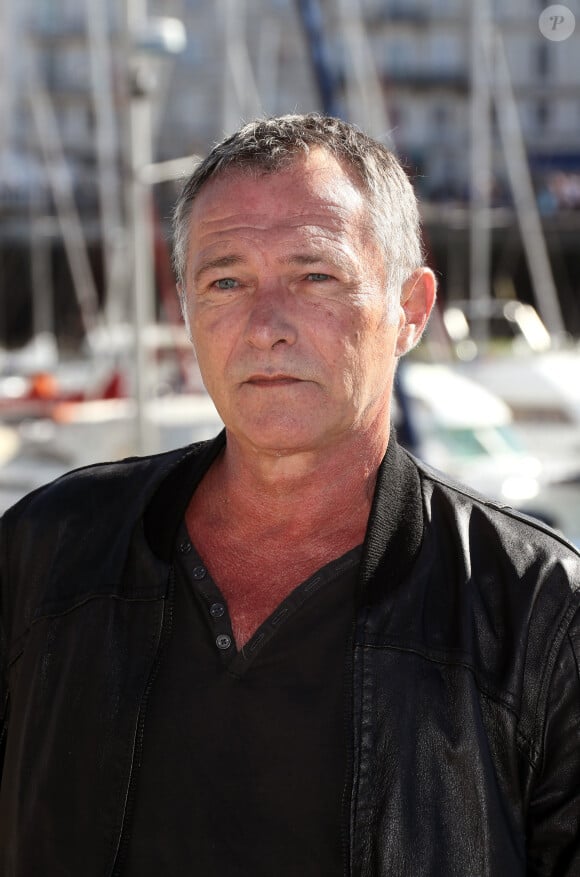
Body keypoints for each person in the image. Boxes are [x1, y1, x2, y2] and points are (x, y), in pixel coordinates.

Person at [0, 114, 579, 876]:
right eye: (227, 280)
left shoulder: (535, 611)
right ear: (186, 311)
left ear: (410, 308)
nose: (266, 325)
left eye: (316, 275)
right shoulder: (49, 552)